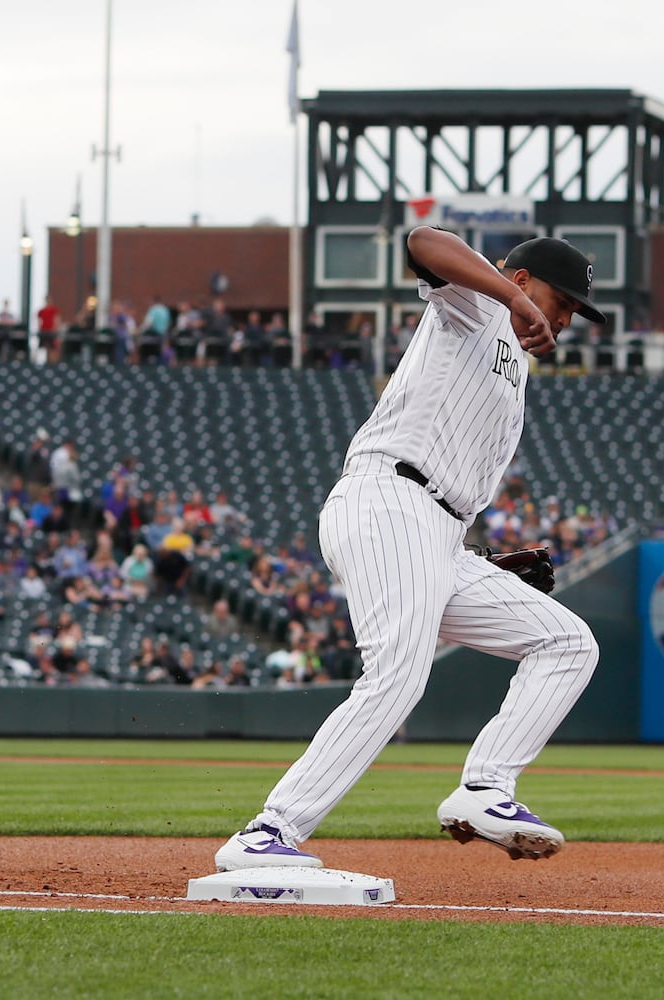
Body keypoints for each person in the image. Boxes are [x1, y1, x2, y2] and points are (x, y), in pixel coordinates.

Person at [214, 230, 602, 871]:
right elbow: (423, 240)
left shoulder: (512, 358)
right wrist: (511, 295)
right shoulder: (481, 302)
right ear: (526, 279)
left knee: (565, 642)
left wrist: (476, 559)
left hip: (437, 532)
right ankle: (269, 831)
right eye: (561, 301)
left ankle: (486, 789)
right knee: (398, 672)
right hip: (386, 499)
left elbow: (449, 479)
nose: (564, 318)